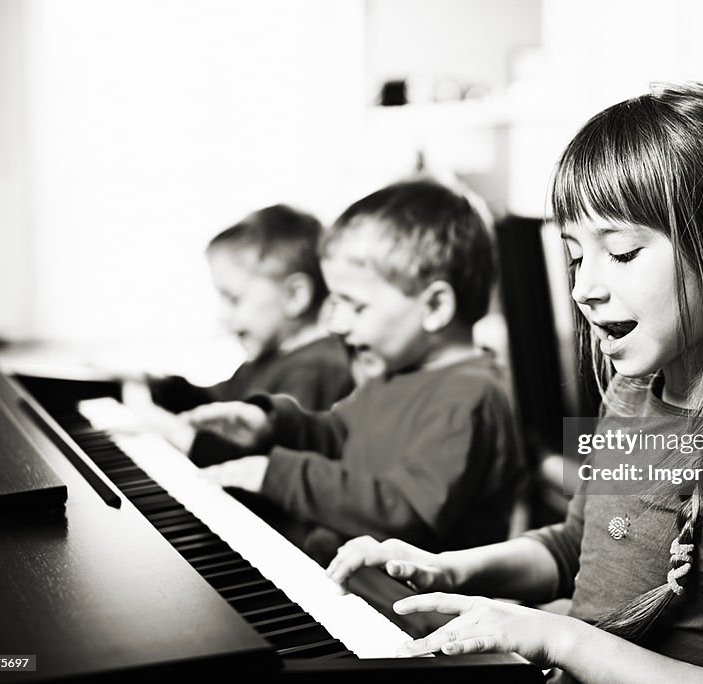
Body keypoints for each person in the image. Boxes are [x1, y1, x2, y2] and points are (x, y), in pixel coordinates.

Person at [324, 83, 703, 683]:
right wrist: (448, 569)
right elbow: (574, 549)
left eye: (620, 253)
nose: (583, 287)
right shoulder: (633, 394)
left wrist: (559, 637)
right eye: (574, 255)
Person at [187, 179, 527, 565]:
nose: (337, 324)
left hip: (408, 616)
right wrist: (273, 425)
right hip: (348, 582)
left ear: (434, 306)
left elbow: (403, 512)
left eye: (356, 306)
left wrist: (279, 475)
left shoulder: (470, 397)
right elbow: (338, 436)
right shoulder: (394, 373)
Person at [143, 204, 354, 463]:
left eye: (233, 299)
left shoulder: (316, 369)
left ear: (294, 295)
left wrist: (182, 436)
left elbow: (268, 461)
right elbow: (212, 404)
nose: (222, 315)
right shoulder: (267, 358)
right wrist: (160, 386)